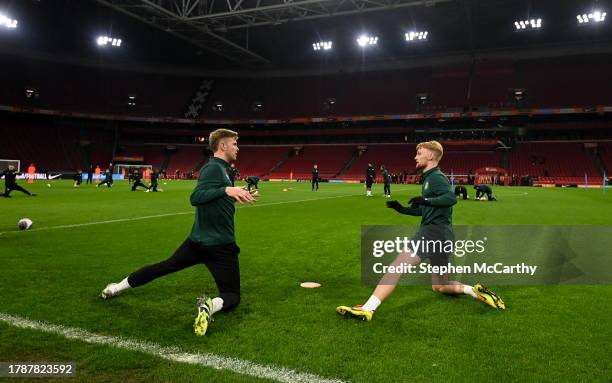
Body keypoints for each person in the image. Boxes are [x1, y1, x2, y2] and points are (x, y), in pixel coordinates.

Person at [100, 129, 256, 336]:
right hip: (220, 246)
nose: (238, 148)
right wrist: (227, 191)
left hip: (198, 242)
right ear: (223, 146)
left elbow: (212, 197)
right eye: (235, 144)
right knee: (232, 296)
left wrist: (235, 193)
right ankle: (209, 306)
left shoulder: (222, 169)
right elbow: (196, 197)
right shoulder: (213, 168)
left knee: (163, 267)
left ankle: (116, 288)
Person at [336, 141, 505, 322]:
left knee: (396, 267)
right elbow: (426, 209)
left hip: (432, 234)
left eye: (419, 153)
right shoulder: (430, 178)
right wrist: (403, 209)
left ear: (431, 156)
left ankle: (367, 309)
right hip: (444, 236)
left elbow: (450, 198)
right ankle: (473, 291)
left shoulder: (435, 177)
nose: (415, 156)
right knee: (439, 286)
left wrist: (426, 201)